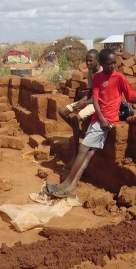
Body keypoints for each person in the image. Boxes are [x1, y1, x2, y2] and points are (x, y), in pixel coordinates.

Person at [43, 48, 136, 199]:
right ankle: (72, 185)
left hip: (108, 120)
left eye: (114, 63)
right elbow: (95, 100)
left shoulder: (119, 77)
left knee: (83, 148)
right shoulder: (98, 78)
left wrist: (104, 119)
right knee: (89, 153)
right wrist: (100, 117)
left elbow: (131, 96)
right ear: (102, 63)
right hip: (99, 119)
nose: (112, 66)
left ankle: (66, 183)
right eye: (109, 63)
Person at [58, 49, 102, 171]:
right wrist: (80, 102)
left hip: (98, 103)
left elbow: (102, 97)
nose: (87, 63)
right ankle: (78, 132)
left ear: (97, 60)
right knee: (62, 111)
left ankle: (75, 155)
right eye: (86, 61)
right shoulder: (90, 70)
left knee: (75, 118)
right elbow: (91, 91)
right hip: (90, 100)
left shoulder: (102, 73)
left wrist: (85, 103)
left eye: (90, 61)